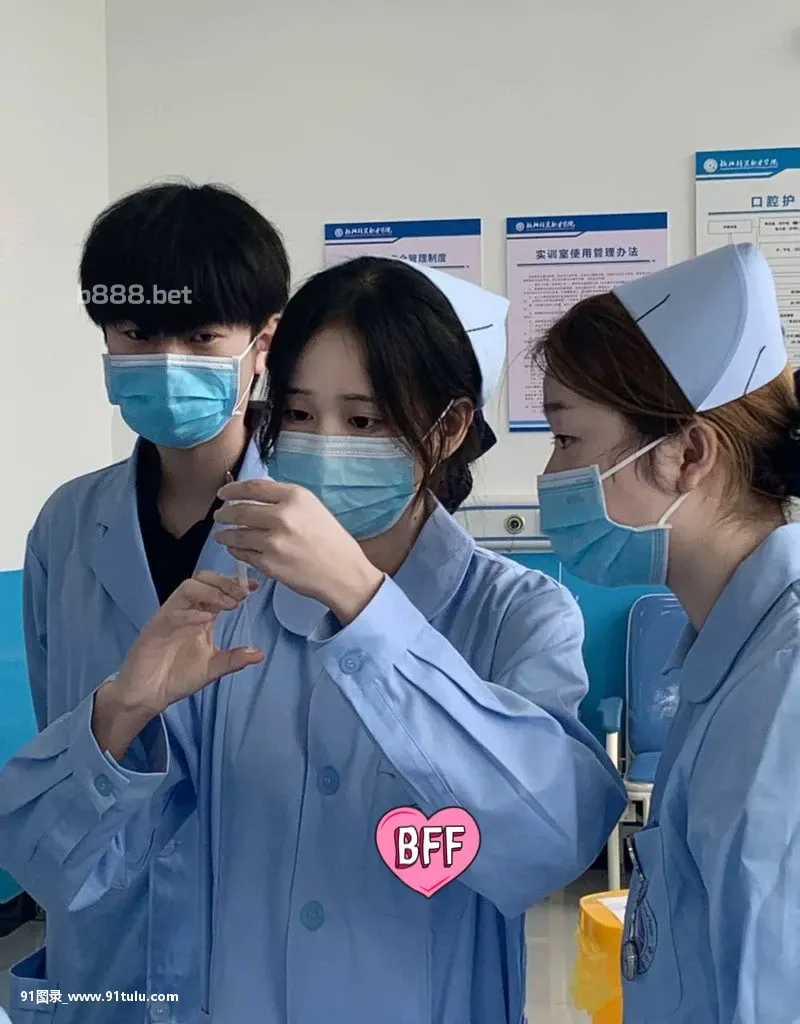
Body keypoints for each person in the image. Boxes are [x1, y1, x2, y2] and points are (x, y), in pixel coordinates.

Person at [0, 256, 626, 1024]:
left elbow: (548, 844)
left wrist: (366, 608)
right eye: (297, 414)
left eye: (363, 421)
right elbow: (64, 865)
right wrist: (122, 712)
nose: (324, 444)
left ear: (450, 428)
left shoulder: (518, 615)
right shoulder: (234, 615)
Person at [6, 181, 290, 1024]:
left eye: (200, 336)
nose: (166, 360)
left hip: (265, 937)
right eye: (137, 332)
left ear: (263, 341)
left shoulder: (317, 527)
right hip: (107, 941)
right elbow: (64, 735)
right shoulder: (66, 525)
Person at [535, 242, 800, 1021]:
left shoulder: (783, 687)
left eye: (567, 440)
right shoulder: (730, 648)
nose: (549, 477)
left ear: (687, 454)